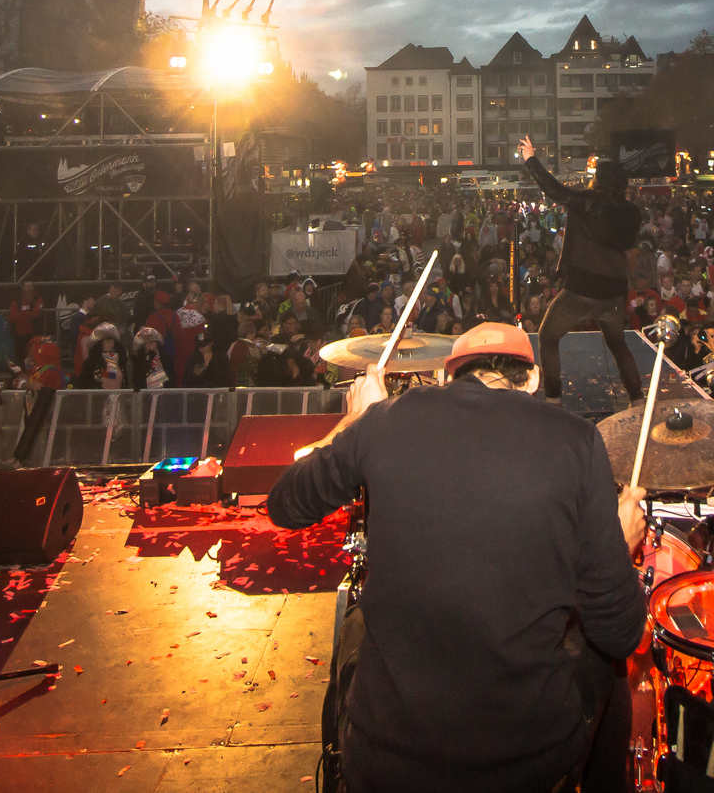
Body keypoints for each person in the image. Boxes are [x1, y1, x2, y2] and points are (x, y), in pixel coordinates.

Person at [270, 322, 647, 792]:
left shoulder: (386, 420)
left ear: (449, 377)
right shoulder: (578, 440)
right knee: (609, 666)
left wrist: (357, 419)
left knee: (355, 626)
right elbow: (618, 632)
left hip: (387, 758)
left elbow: (285, 504)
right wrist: (619, 541)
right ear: (531, 379)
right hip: (523, 765)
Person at [517, 136, 646, 407]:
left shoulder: (590, 201)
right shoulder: (633, 213)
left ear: (598, 181)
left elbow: (555, 190)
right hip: (614, 288)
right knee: (618, 345)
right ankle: (638, 400)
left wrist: (531, 160)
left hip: (584, 286)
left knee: (547, 336)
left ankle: (553, 399)